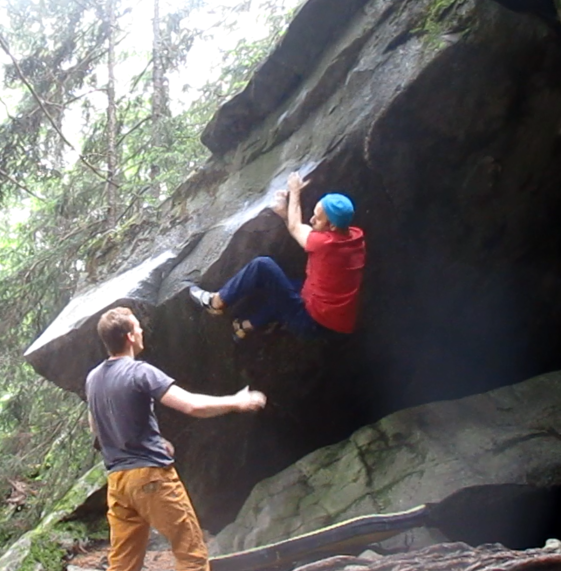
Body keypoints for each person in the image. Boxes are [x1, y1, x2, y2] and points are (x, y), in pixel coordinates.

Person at [86, 307, 267, 571]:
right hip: (151, 477)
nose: (141, 330)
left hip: (118, 482)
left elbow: (95, 426)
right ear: (128, 337)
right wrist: (237, 402)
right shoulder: (140, 372)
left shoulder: (93, 378)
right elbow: (191, 405)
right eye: (137, 327)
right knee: (191, 554)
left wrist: (151, 438)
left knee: (123, 564)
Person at [189, 171, 365, 340]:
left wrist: (295, 191)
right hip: (336, 323)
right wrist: (284, 213)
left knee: (263, 266)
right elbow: (302, 232)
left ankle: (216, 302)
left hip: (311, 323)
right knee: (285, 287)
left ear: (332, 227)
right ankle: (245, 327)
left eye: (317, 219)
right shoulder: (356, 237)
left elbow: (298, 228)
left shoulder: (325, 245)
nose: (311, 220)